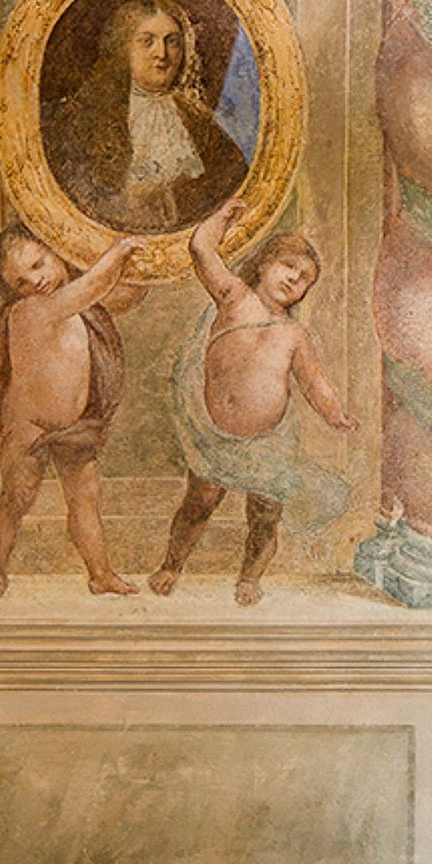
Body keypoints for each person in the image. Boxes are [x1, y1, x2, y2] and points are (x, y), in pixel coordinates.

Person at [150, 199, 354, 606]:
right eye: (288, 267)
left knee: (264, 515)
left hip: (269, 444)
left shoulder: (294, 334)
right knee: (198, 505)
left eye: (304, 279)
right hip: (216, 438)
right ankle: (171, 565)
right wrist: (223, 216)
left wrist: (335, 414)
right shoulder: (235, 298)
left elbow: (315, 382)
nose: (294, 279)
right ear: (263, 264)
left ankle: (249, 577)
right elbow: (201, 248)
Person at [0, 224, 143, 598]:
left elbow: (125, 294)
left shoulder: (79, 304)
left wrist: (151, 263)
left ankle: (101, 574)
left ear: (58, 251)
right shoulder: (30, 310)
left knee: (85, 500)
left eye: (38, 264)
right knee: (16, 499)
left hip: (75, 425)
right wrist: (118, 251)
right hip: (27, 427)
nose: (35, 281)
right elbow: (95, 284)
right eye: (21, 281)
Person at [43, 0, 248, 234]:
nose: (161, 53)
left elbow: (230, 185)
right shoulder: (84, 115)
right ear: (123, 47)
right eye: (147, 41)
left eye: (172, 42)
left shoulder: (199, 120)